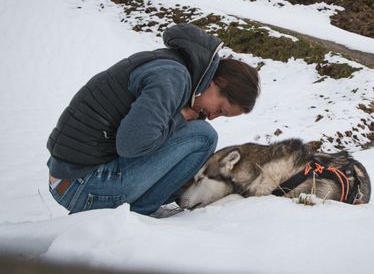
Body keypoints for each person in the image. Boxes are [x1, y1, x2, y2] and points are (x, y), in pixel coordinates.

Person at [46, 23, 260, 215]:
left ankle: (147, 208)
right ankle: (141, 214)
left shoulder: (175, 70)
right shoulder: (173, 78)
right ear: (217, 82)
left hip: (73, 179)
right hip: (81, 185)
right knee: (203, 136)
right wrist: (181, 117)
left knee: (197, 132)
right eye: (221, 109)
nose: (213, 116)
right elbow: (132, 144)